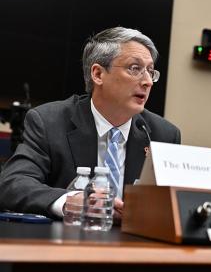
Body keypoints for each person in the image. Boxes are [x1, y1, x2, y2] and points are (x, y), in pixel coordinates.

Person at [0, 27, 181, 220]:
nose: (147, 82)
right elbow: (14, 183)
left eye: (150, 71)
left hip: (137, 245)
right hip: (67, 243)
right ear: (98, 74)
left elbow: (175, 204)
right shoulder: (50, 121)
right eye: (134, 68)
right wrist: (70, 201)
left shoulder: (163, 134)